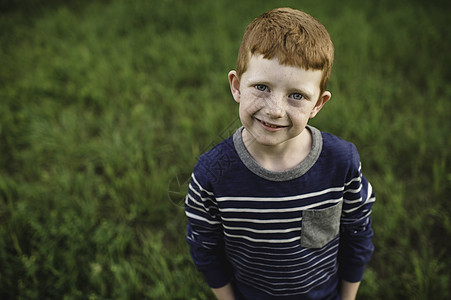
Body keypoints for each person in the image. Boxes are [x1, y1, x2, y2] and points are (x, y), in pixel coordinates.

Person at [185, 7, 375, 300]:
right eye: (261, 87)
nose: (275, 110)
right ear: (236, 86)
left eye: (296, 96)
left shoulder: (342, 162)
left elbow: (358, 233)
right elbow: (205, 249)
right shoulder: (211, 174)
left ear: (318, 104)